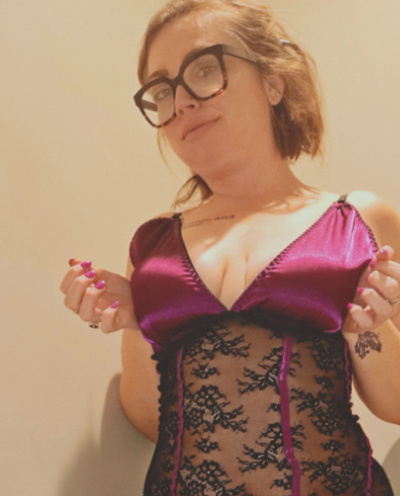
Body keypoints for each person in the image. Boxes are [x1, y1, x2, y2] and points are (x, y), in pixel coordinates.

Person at [60, 0, 400, 494]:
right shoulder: (153, 244)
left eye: (204, 69)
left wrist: (367, 331)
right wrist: (137, 326)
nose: (181, 102)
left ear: (272, 82)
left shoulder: (360, 220)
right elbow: (151, 422)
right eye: (162, 90)